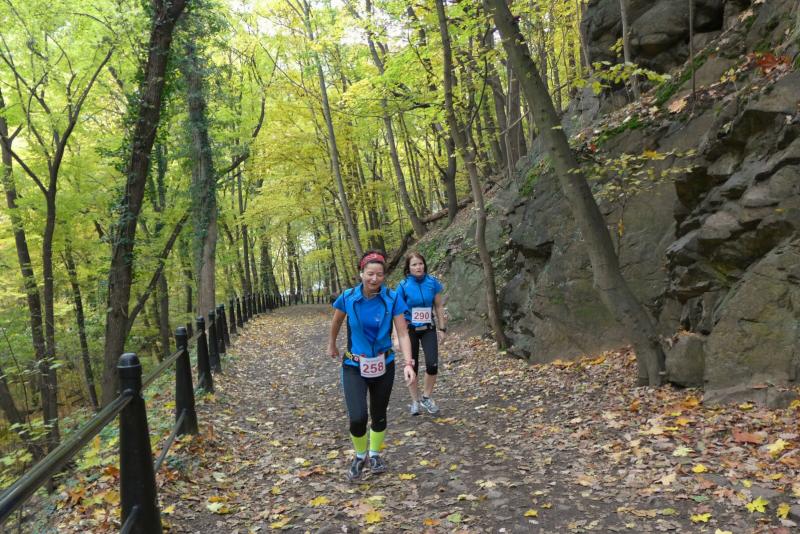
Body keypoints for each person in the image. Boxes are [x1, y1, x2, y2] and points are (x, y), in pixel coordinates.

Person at [326, 250, 415, 482]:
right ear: (361, 274)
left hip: (384, 364)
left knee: (379, 414)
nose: (374, 279)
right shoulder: (348, 297)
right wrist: (332, 344)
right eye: (370, 274)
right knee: (357, 417)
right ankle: (359, 455)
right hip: (354, 365)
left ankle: (374, 454)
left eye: (379, 275)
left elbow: (403, 333)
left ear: (384, 276)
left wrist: (408, 363)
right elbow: (336, 322)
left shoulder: (392, 298)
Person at [396, 251, 447, 416]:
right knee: (413, 366)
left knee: (432, 364)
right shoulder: (403, 286)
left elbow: (438, 306)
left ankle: (426, 397)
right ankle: (414, 401)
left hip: (428, 328)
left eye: (420, 263)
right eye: (414, 265)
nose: (418, 267)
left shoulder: (432, 282)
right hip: (409, 330)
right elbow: (396, 312)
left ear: (424, 265)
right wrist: (396, 336)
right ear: (408, 268)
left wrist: (442, 328)